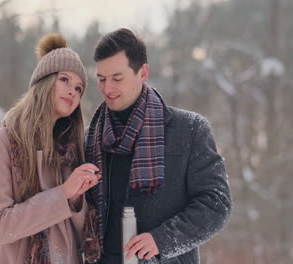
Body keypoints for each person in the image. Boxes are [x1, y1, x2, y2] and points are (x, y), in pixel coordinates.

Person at [82, 28, 232, 264]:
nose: (107, 89)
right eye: (101, 79)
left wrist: (161, 240)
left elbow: (217, 204)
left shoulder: (190, 130)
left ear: (143, 73)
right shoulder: (90, 138)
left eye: (117, 78)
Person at [0, 33, 100, 264]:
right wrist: (64, 193)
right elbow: (2, 226)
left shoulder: (71, 150)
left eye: (78, 88)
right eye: (65, 80)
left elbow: (80, 235)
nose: (72, 92)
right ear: (44, 82)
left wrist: (75, 199)